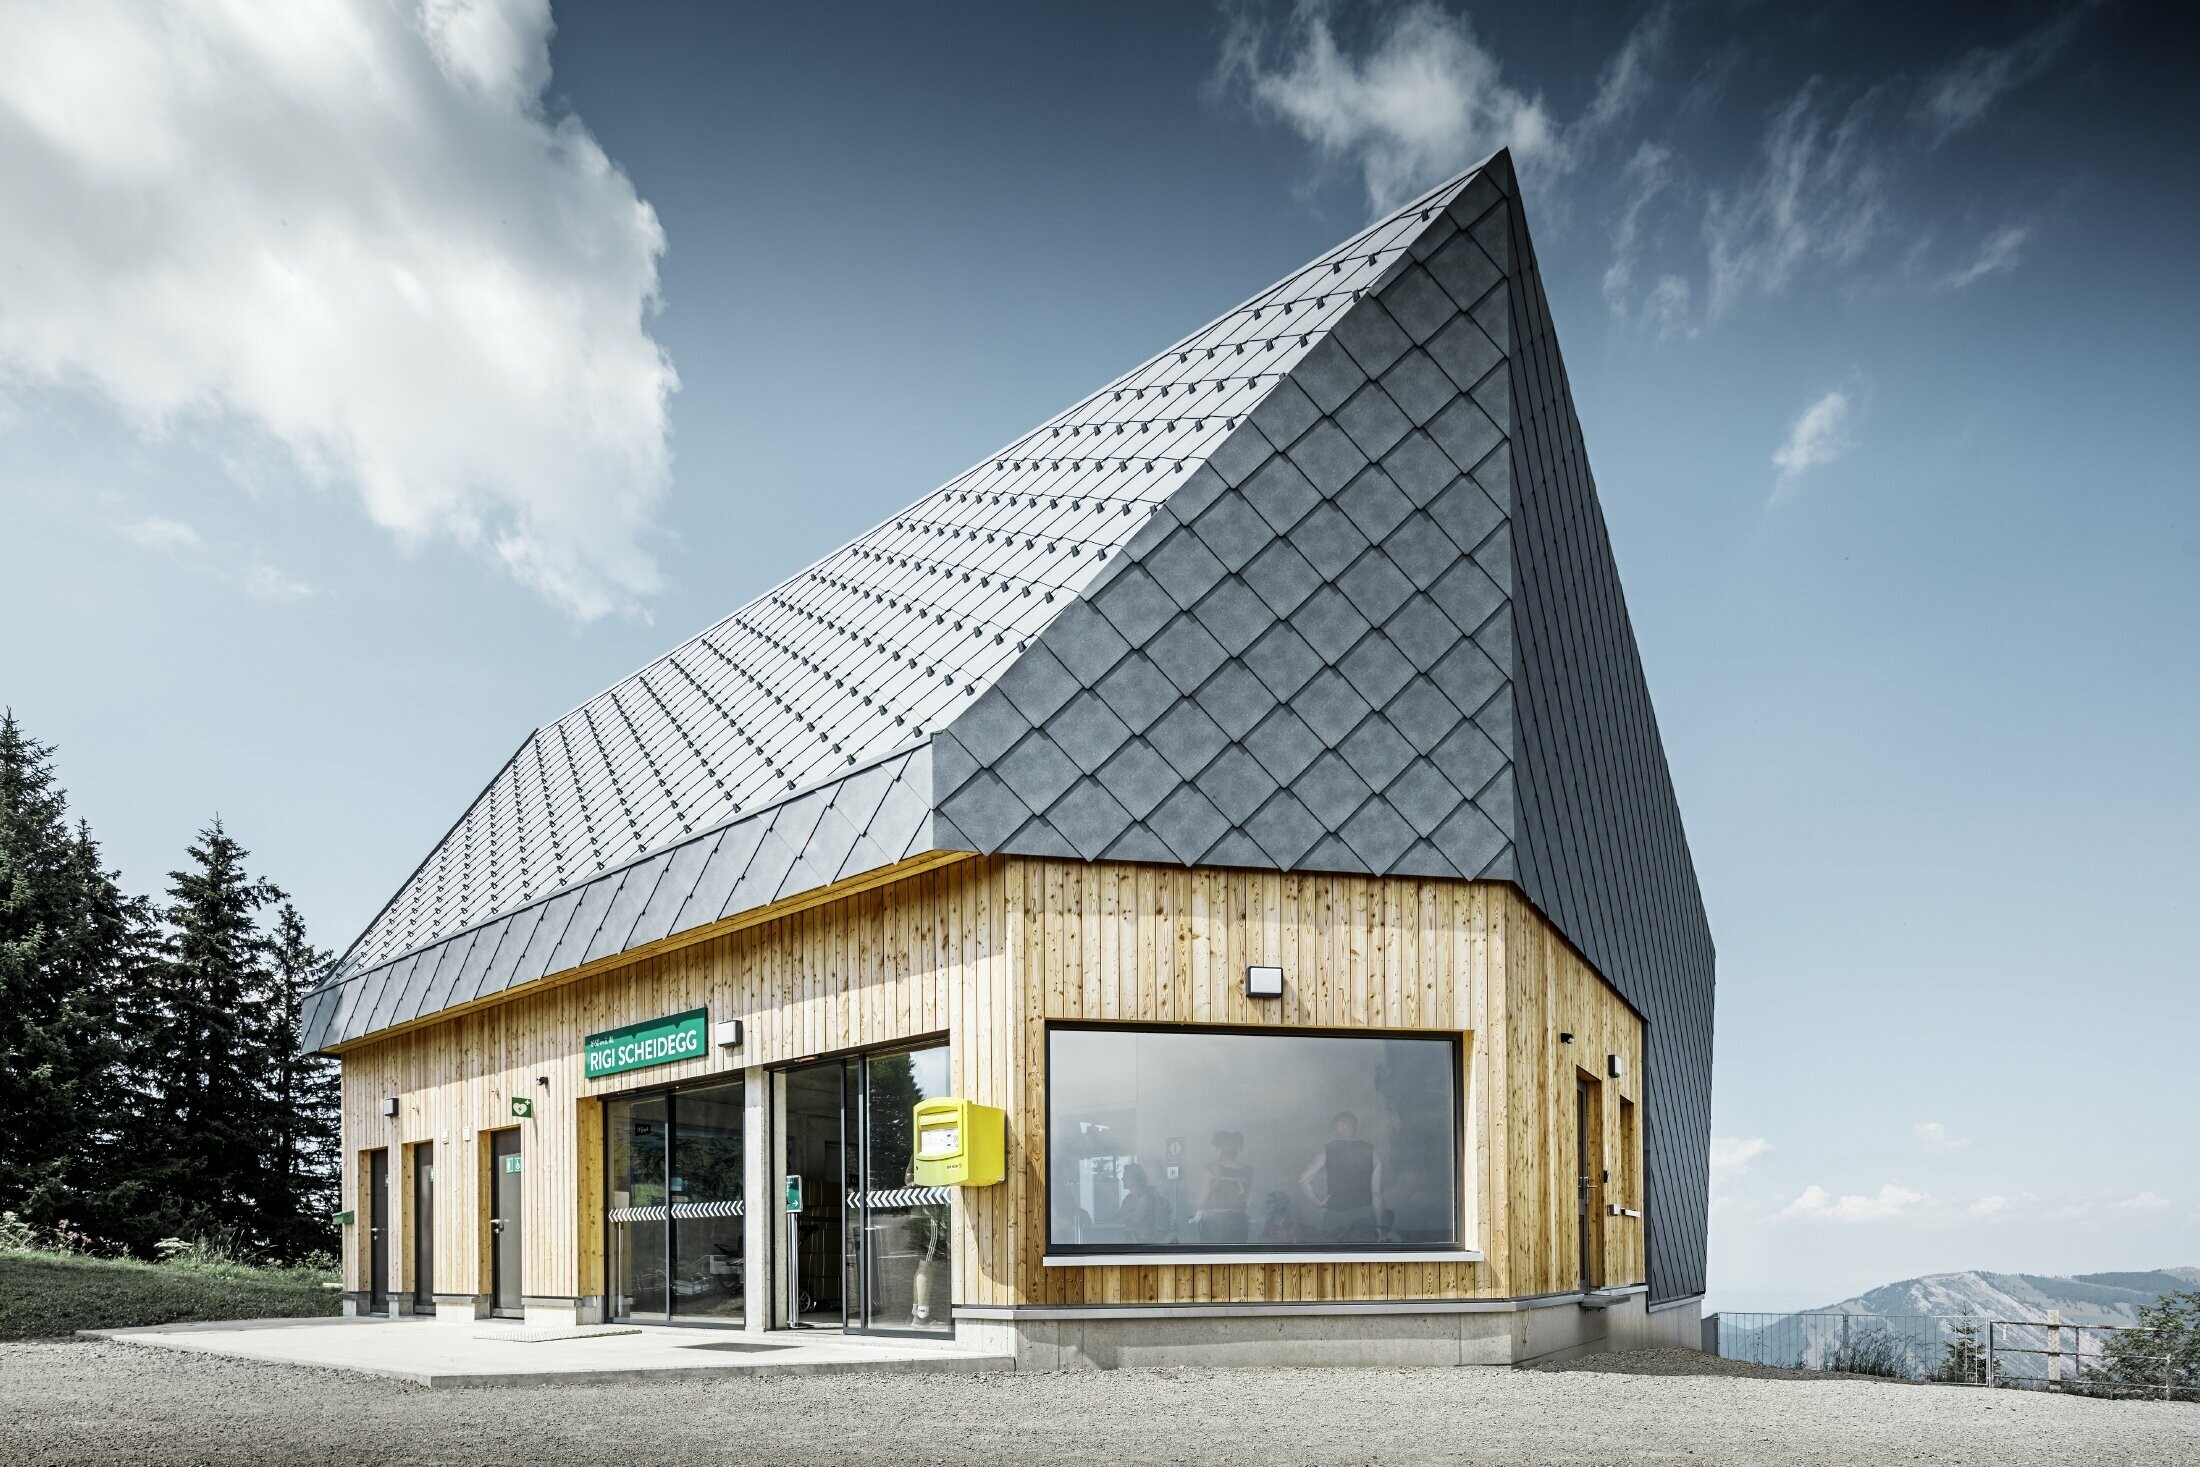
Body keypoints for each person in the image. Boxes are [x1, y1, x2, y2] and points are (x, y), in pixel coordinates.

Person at [1299, 1110, 1382, 1242]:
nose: (1333, 1130)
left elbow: (1303, 1179)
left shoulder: (1328, 1150)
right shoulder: (1372, 1151)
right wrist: (1379, 1227)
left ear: (1341, 1125)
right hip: (1363, 1216)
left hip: (1335, 1217)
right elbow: (1377, 1193)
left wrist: (1318, 1202)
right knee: (1361, 1259)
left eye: (1334, 1126)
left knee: (1334, 1258)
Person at [1195, 1131, 1253, 1244]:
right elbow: (1248, 1199)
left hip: (1215, 1225)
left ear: (1220, 1149)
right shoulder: (1247, 1171)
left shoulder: (1212, 1169)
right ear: (1236, 1150)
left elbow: (1202, 1199)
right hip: (1239, 1222)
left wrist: (1198, 1213)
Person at [1116, 1161, 1170, 1244]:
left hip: (1145, 1243)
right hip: (1132, 1241)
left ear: (1134, 1180)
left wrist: (1128, 1220)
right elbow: (1119, 1219)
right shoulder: (1128, 1198)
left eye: (1125, 1176)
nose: (1122, 1179)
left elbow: (1135, 1220)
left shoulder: (1146, 1198)